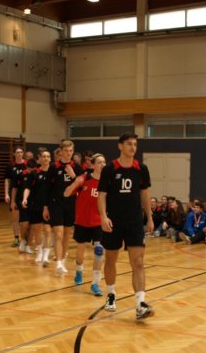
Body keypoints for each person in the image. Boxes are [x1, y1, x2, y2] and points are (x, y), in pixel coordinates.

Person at [98, 132, 154, 320]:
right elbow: (102, 195)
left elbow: (145, 194)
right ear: (120, 146)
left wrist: (149, 218)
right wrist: (103, 217)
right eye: (129, 144)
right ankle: (111, 294)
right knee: (110, 260)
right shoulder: (109, 169)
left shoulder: (141, 169)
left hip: (134, 221)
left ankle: (140, 304)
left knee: (138, 262)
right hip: (113, 221)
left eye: (135, 144)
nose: (132, 147)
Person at [64, 152, 106, 295]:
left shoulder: (107, 182)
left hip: (98, 222)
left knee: (99, 251)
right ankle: (79, 272)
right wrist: (75, 183)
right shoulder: (84, 179)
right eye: (99, 162)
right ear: (92, 165)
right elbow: (66, 193)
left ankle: (95, 283)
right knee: (80, 251)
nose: (102, 165)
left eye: (104, 162)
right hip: (82, 221)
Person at [47, 139, 83, 275]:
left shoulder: (77, 167)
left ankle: (62, 259)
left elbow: (82, 187)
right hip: (56, 204)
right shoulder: (54, 167)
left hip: (71, 204)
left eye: (71, 151)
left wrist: (73, 175)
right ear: (61, 152)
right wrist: (45, 207)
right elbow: (47, 188)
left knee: (67, 234)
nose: (68, 153)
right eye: (66, 151)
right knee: (58, 233)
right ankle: (58, 263)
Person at [22, 148, 53, 265]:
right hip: (35, 205)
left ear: (50, 159)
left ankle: (46, 254)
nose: (46, 158)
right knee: (37, 229)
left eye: (48, 156)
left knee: (47, 230)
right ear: (39, 159)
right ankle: (39, 251)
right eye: (44, 156)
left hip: (49, 206)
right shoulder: (34, 173)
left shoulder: (53, 173)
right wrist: (25, 198)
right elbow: (27, 188)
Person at [4, 146, 27, 247]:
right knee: (15, 218)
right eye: (17, 152)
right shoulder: (10, 166)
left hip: (26, 194)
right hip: (15, 194)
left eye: (21, 152)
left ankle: (25, 239)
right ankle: (16, 238)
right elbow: (7, 180)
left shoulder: (27, 164)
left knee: (26, 220)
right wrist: (6, 193)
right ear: (14, 154)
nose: (19, 154)